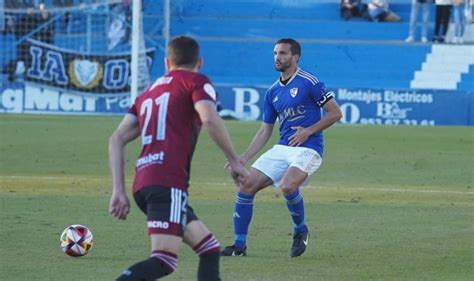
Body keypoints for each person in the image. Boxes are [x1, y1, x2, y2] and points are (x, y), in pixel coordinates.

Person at [109, 36, 248, 281]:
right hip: (167, 183)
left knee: (209, 249)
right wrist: (235, 161)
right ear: (200, 62)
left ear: (166, 62)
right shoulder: (196, 81)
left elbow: (117, 138)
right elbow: (209, 118)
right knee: (163, 260)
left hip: (143, 182)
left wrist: (118, 191)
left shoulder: (147, 93)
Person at [221, 38, 342, 258]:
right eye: (276, 53)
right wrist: (242, 159)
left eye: (283, 53)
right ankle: (239, 246)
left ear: (295, 57)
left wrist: (308, 131)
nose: (278, 57)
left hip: (309, 148)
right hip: (282, 148)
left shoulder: (309, 82)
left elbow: (335, 113)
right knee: (246, 186)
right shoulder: (272, 92)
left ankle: (300, 230)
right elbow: (265, 130)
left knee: (287, 186)